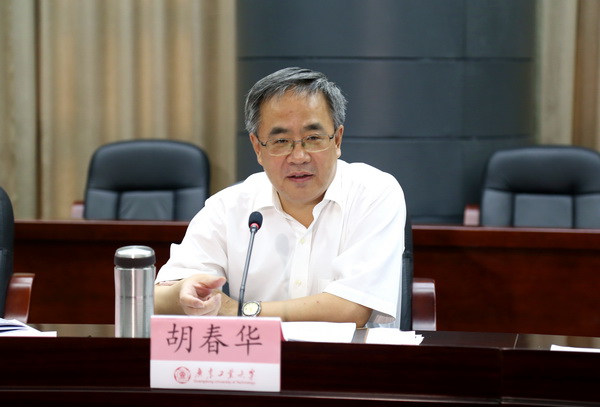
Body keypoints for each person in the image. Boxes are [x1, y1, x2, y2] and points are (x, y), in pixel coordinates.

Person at [154, 67, 406, 328]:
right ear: (257, 148)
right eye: (281, 141)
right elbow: (160, 298)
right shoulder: (228, 207)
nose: (299, 157)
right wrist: (183, 294)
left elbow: (352, 309)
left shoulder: (373, 193)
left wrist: (239, 311)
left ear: (337, 140)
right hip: (257, 354)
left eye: (313, 138)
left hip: (350, 354)